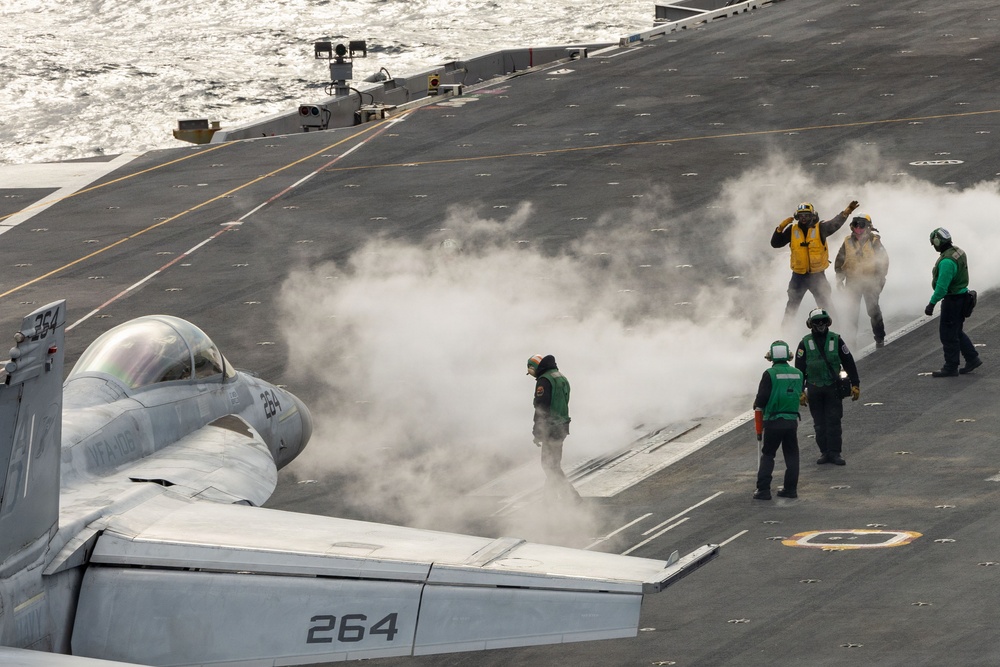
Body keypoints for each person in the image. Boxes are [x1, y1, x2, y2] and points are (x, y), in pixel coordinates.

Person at [772, 200, 859, 325]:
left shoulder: (821, 228)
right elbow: (775, 244)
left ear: (812, 215)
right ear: (797, 216)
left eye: (806, 215)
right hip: (798, 277)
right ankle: (784, 336)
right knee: (791, 308)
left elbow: (835, 223)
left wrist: (846, 212)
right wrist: (780, 229)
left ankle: (836, 333)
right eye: (801, 215)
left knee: (827, 306)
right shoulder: (792, 230)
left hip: (817, 276)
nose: (804, 218)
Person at [795, 308, 860, 466]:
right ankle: (824, 452)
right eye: (817, 322)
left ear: (828, 322)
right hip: (814, 388)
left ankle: (835, 453)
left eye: (823, 321)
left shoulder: (836, 340)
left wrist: (855, 384)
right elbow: (799, 370)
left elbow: (849, 362)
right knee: (819, 424)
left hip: (833, 388)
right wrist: (800, 392)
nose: (821, 324)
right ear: (811, 324)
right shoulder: (804, 343)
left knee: (834, 422)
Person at [925, 228, 982, 377]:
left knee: (948, 335)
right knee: (956, 331)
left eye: (934, 243)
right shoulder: (958, 251)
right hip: (963, 297)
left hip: (953, 301)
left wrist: (931, 304)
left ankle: (951, 367)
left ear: (937, 242)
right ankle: (972, 358)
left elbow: (942, 288)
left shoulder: (946, 262)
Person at [752, 340, 804, 500]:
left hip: (773, 420)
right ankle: (790, 489)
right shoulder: (798, 373)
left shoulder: (769, 374)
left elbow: (762, 399)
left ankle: (763, 490)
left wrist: (757, 405)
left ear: (771, 356)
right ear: (789, 356)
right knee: (792, 455)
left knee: (768, 454)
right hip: (791, 421)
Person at [526, 354, 579, 500]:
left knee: (549, 465)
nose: (530, 374)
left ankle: (572, 498)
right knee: (553, 464)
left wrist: (537, 432)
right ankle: (548, 501)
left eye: (530, 370)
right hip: (562, 426)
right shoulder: (560, 377)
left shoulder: (544, 380)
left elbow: (541, 408)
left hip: (551, 427)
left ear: (533, 367)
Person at [834, 214, 889, 349]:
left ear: (868, 227)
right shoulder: (847, 242)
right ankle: (851, 344)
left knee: (873, 311)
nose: (858, 228)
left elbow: (884, 261)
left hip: (870, 281)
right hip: (853, 282)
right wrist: (839, 278)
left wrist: (879, 280)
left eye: (861, 225)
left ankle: (880, 338)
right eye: (856, 224)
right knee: (852, 313)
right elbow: (840, 261)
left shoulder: (875, 241)